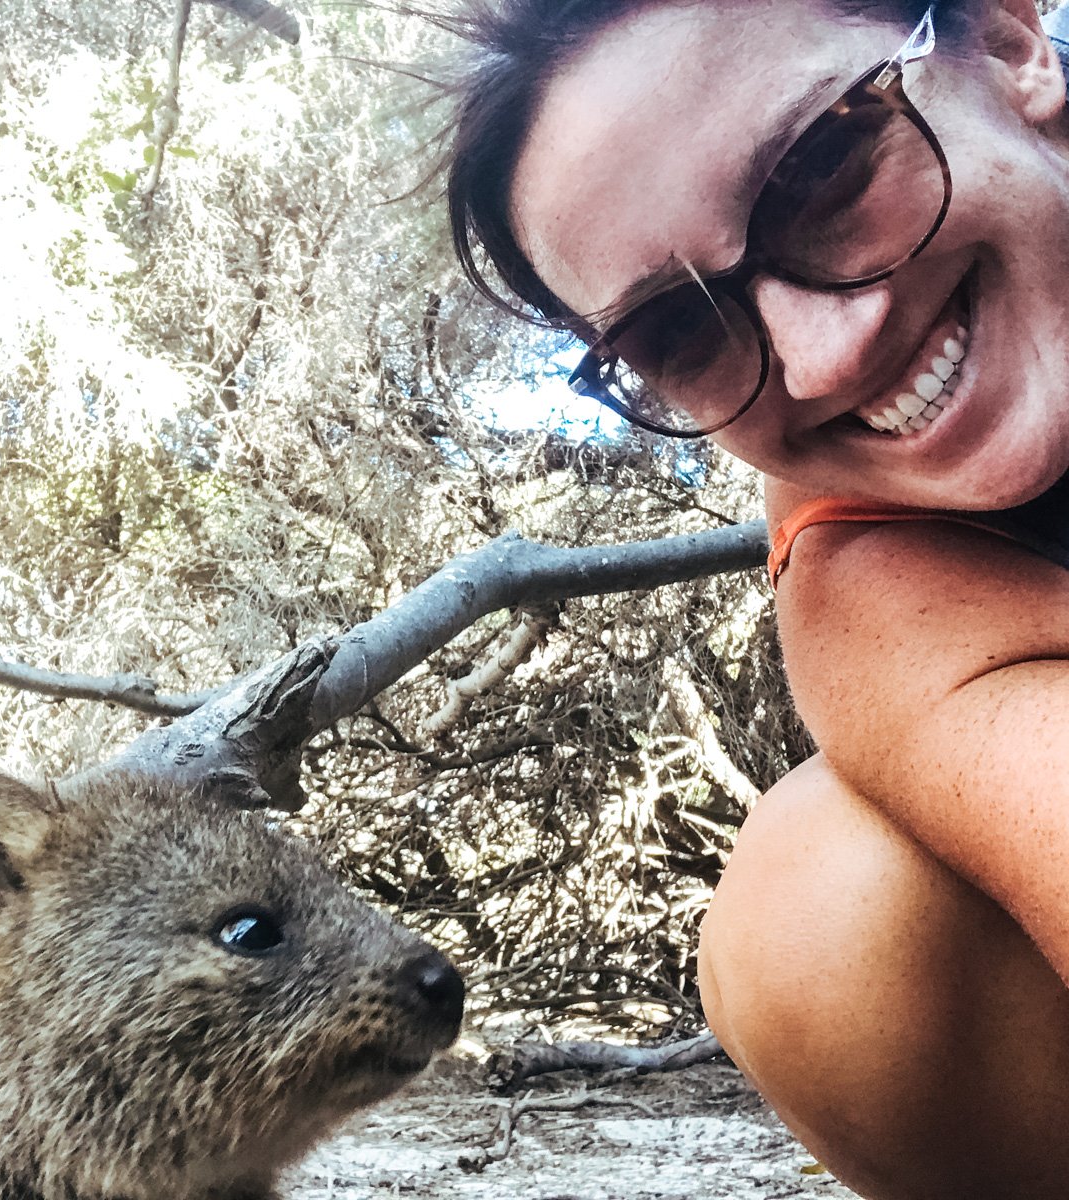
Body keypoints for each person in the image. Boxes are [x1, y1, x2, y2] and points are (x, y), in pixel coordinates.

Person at [440, 2, 1069, 1196]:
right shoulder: (861, 568)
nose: (823, 358)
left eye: (819, 164)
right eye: (679, 329)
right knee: (819, 918)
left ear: (1006, 43)